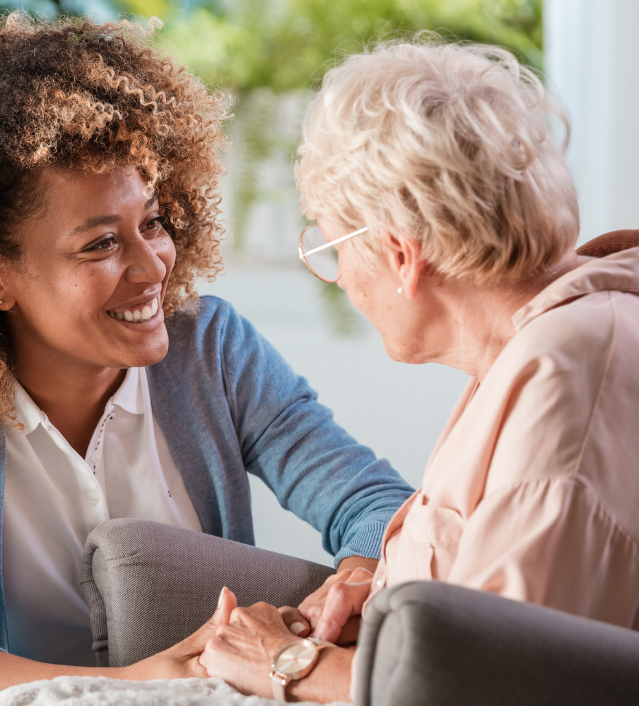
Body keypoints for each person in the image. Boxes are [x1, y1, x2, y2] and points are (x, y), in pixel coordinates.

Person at [0, 13, 413, 706]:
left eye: (154, 223)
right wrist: (125, 689)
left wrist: (354, 580)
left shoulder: (212, 349)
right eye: (100, 245)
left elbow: (380, 507)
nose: (152, 268)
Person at [198, 39, 639, 703]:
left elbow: (493, 684)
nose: (340, 278)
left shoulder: (564, 376)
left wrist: (289, 663)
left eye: (331, 244)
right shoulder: (545, 346)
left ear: (401, 254)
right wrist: (381, 592)